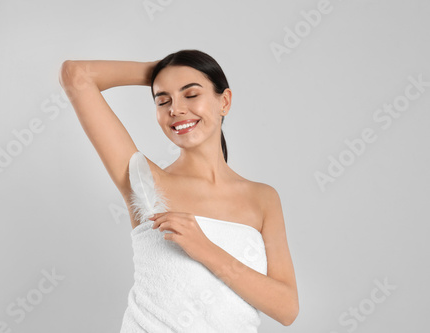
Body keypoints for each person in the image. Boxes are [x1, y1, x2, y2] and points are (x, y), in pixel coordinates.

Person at [59, 49, 299, 331]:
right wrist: (162, 71)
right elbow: (75, 75)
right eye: (163, 100)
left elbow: (287, 309)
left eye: (191, 94)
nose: (175, 108)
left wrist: (204, 248)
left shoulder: (263, 199)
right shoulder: (144, 181)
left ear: (225, 101)